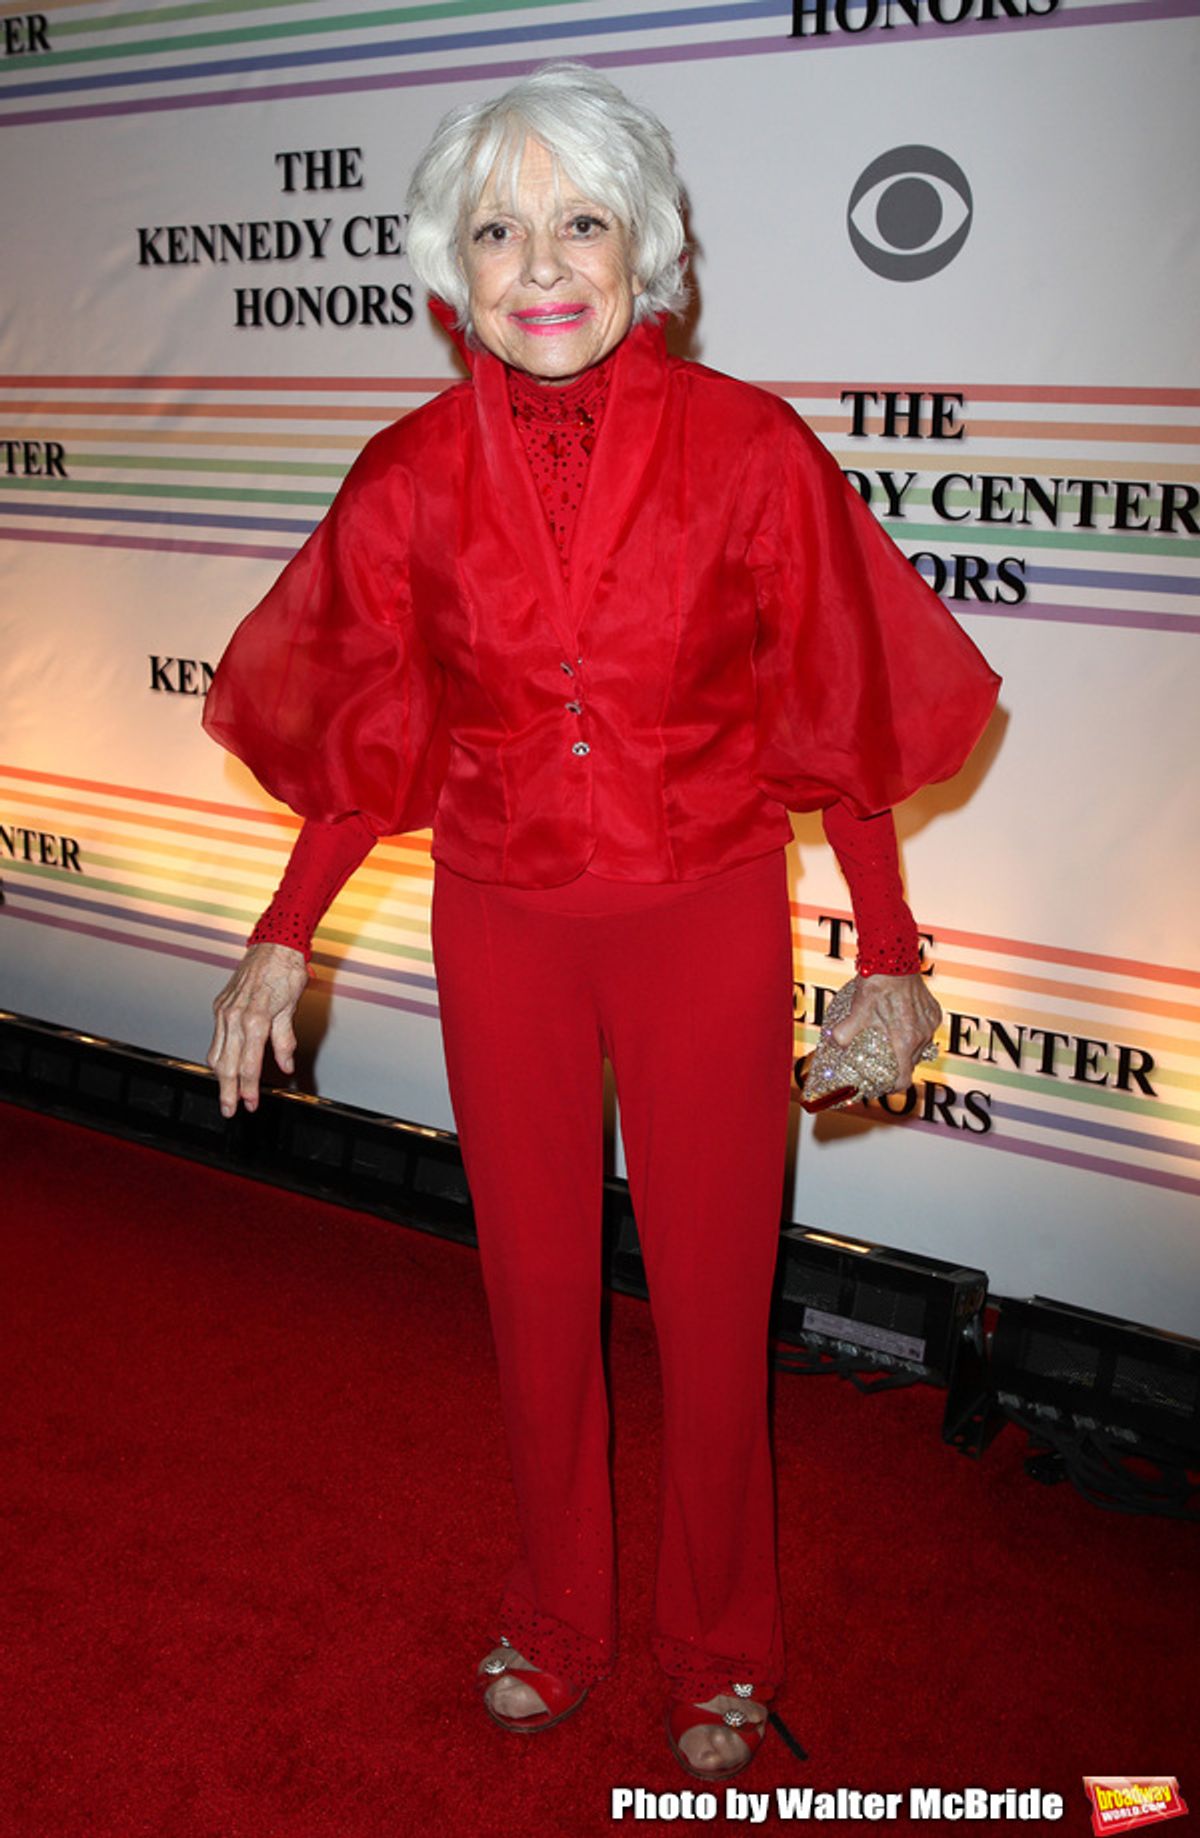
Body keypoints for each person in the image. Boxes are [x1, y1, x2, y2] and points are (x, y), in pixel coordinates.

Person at [202, 61, 1000, 1780]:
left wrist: (890, 951)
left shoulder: (751, 448)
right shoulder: (409, 473)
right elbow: (362, 731)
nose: (541, 263)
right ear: (449, 269)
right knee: (535, 1287)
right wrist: (284, 930)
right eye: (498, 229)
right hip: (502, 926)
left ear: (644, 245)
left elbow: (839, 718)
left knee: (716, 1299)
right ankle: (560, 1611)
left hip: (704, 912)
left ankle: (726, 1646)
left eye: (578, 221)